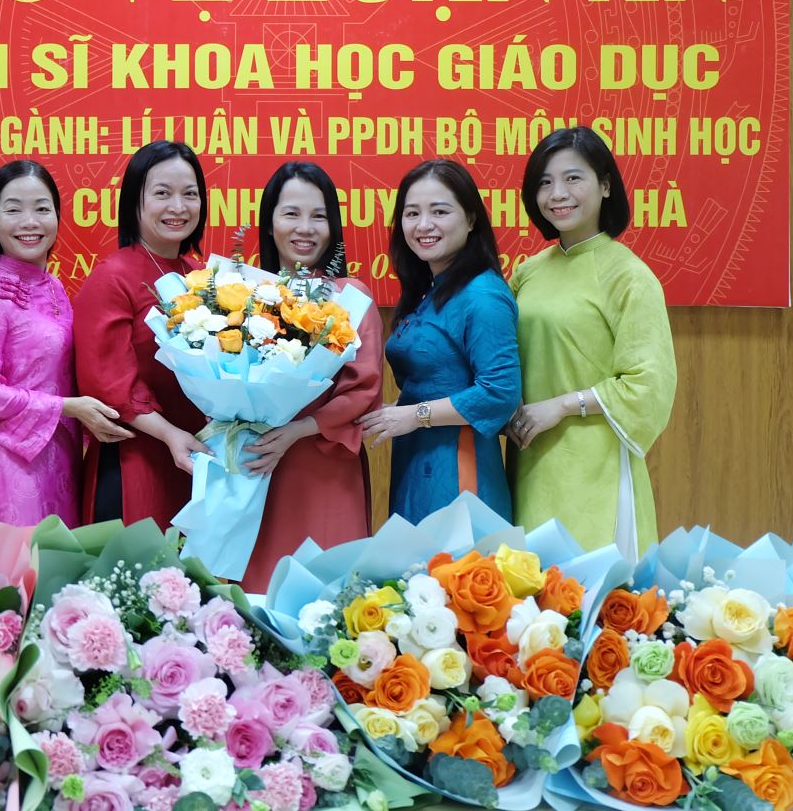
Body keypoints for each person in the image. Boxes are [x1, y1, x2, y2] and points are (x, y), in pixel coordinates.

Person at [508, 126, 675, 558]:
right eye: (545, 182)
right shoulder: (527, 272)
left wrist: (562, 406)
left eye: (572, 178)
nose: (557, 194)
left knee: (590, 589)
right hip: (530, 457)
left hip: (595, 464)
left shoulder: (628, 275)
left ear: (605, 186)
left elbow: (647, 384)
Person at [0, 161, 129, 526]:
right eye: (13, 210)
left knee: (59, 561)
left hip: (62, 455)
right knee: (21, 561)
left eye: (41, 209)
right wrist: (69, 407)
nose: (29, 222)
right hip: (13, 462)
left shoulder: (53, 287)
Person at [236, 162, 380, 590]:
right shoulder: (241, 295)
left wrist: (298, 430)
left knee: (328, 596)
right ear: (270, 223)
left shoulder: (350, 297)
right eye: (291, 214)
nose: (305, 228)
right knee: (259, 597)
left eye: (318, 216)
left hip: (324, 465)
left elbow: (364, 388)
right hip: (259, 465)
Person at [360, 159, 519, 522]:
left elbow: (500, 394)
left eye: (440, 211)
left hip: (459, 465)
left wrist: (415, 416)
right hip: (417, 458)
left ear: (471, 219)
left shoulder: (482, 295)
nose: (423, 225)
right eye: (412, 213)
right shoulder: (431, 289)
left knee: (456, 558)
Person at [73, 141, 209, 526]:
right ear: (136, 201)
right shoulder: (112, 277)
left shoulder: (203, 278)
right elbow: (108, 383)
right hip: (136, 458)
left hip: (197, 458)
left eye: (190, 194)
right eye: (162, 193)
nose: (178, 206)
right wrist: (170, 435)